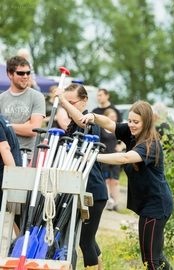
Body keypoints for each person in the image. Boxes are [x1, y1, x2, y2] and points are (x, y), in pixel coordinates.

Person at [80, 100, 174, 270]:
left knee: (150, 259)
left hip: (156, 205)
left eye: (136, 122)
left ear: (146, 122)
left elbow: (124, 158)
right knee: (156, 256)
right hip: (150, 204)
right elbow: (109, 123)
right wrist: (92, 116)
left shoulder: (150, 144)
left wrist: (93, 156)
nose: (131, 125)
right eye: (130, 120)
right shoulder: (131, 134)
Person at [54, 83, 108, 270]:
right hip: (80, 188)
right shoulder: (71, 124)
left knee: (85, 241)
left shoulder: (91, 119)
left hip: (94, 191)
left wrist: (61, 100)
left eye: (72, 102)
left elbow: (82, 121)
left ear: (84, 100)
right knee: (88, 239)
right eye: (66, 103)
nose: (68, 106)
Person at [0, 56, 46, 162]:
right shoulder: (1, 99)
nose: (25, 76)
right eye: (20, 73)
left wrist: (6, 127)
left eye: (28, 73)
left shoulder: (37, 96)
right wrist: (24, 126)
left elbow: (34, 129)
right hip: (5, 155)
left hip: (28, 156)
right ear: (10, 74)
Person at [0, 114, 22, 236]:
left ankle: (22, 249)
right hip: (10, 174)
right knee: (17, 216)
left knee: (18, 216)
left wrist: (14, 176)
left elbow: (4, 148)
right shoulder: (3, 118)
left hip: (5, 176)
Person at [101, 108, 124, 211]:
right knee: (106, 180)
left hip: (116, 157)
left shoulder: (118, 128)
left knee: (115, 181)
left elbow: (126, 138)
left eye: (114, 116)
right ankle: (108, 201)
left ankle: (116, 203)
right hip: (105, 157)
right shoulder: (101, 128)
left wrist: (121, 147)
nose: (113, 118)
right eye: (111, 117)